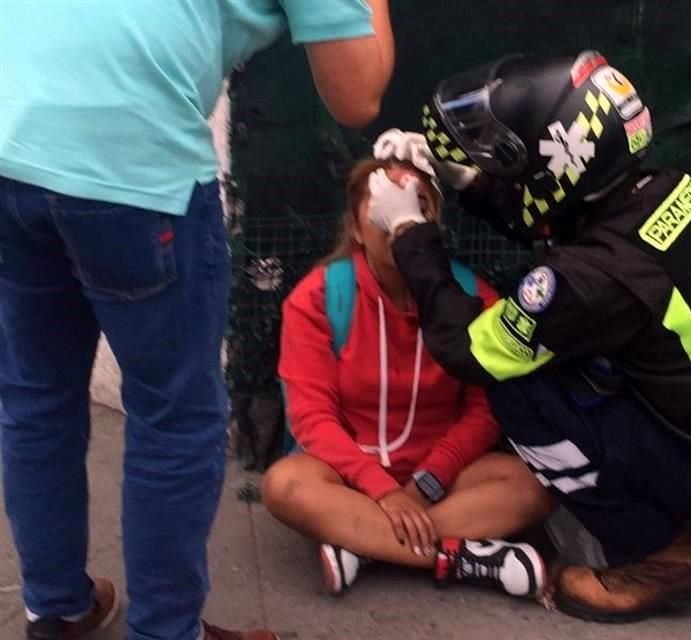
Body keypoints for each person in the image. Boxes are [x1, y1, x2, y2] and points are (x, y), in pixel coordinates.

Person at [369, 51, 691, 623]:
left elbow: (470, 349)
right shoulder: (667, 192)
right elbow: (544, 212)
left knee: (521, 388)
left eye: (503, 162)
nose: (493, 172)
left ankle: (658, 558)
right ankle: (689, 511)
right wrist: (455, 175)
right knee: (580, 364)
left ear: (558, 167)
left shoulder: (594, 278)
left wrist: (412, 233)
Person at [0, 3, 395, 640]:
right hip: (133, 165)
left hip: (9, 143)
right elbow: (357, 93)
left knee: (37, 393)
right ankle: (165, 631)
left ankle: (56, 609)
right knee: (176, 417)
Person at [261, 158, 553, 600]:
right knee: (284, 486)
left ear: (433, 222)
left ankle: (365, 544)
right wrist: (381, 489)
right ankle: (468, 559)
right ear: (357, 229)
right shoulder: (319, 297)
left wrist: (426, 482)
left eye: (417, 206)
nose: (401, 220)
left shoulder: (471, 298)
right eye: (385, 206)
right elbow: (311, 417)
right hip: (347, 475)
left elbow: (485, 408)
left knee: (536, 484)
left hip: (442, 475)